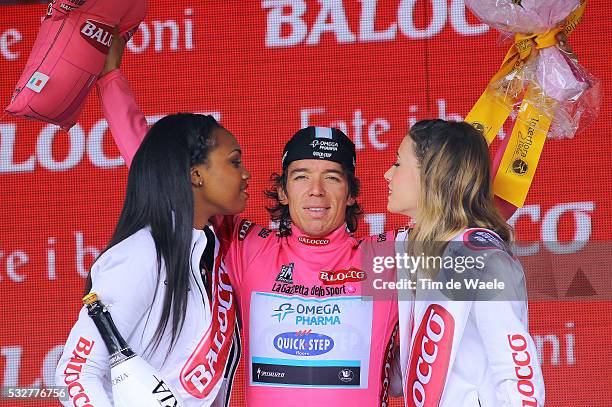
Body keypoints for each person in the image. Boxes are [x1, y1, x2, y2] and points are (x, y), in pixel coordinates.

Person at [96, 35, 402, 406]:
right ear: (284, 192)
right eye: (302, 176)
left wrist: (496, 100)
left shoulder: (388, 258)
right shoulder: (249, 248)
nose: (316, 191)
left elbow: (466, 208)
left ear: (352, 193)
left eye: (332, 178)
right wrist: (110, 78)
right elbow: (165, 172)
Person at [55, 112, 250, 406]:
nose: (245, 173)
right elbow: (76, 371)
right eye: (234, 162)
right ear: (196, 174)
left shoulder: (207, 249)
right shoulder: (142, 254)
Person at [384, 119, 545, 406]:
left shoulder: (481, 258)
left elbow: (518, 375)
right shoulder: (417, 250)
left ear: (432, 175)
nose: (387, 175)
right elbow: (400, 377)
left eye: (397, 164)